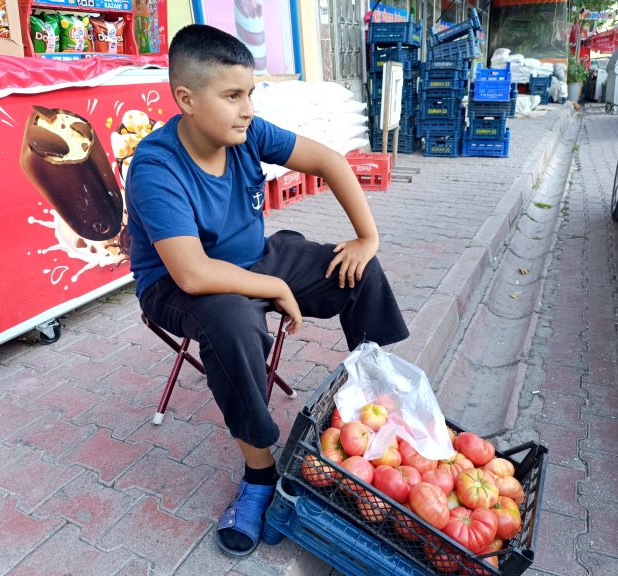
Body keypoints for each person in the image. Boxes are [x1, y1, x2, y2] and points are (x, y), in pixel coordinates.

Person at [125, 24, 409, 557]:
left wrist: (367, 238)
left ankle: (378, 405)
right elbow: (191, 274)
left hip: (255, 258)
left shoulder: (247, 132)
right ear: (186, 99)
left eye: (250, 93)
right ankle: (260, 475)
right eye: (233, 96)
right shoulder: (156, 167)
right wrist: (274, 285)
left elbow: (329, 160)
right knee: (233, 322)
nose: (248, 107)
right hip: (176, 283)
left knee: (358, 270)